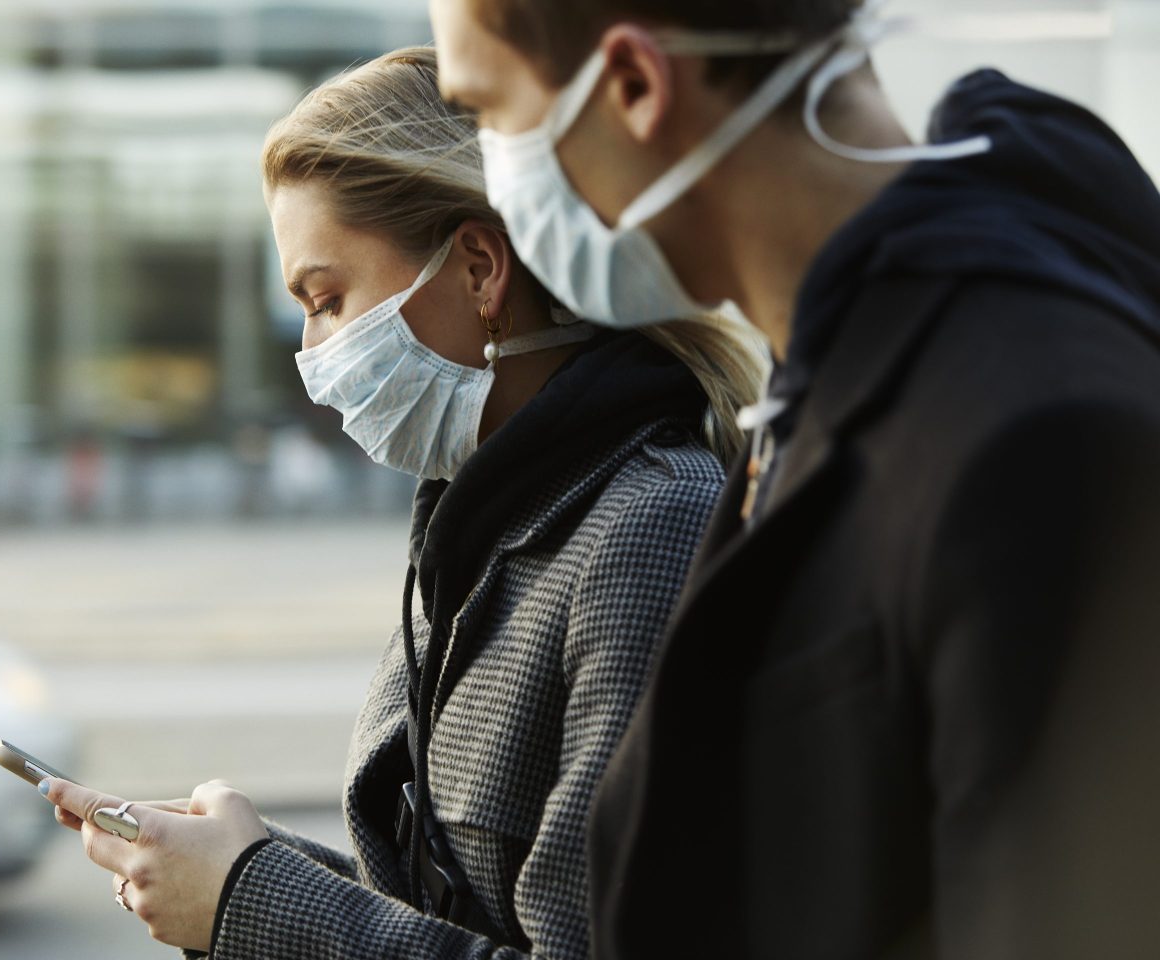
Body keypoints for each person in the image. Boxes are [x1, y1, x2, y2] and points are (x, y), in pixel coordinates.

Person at [429, 0, 1160, 956]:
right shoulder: (838, 368)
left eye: (486, 110)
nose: (496, 168)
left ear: (635, 87)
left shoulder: (1028, 437)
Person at [38, 47, 768, 959]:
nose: (312, 358)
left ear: (478, 271)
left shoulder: (653, 529)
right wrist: (236, 873)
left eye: (327, 298)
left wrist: (249, 902)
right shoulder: (478, 523)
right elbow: (454, 910)